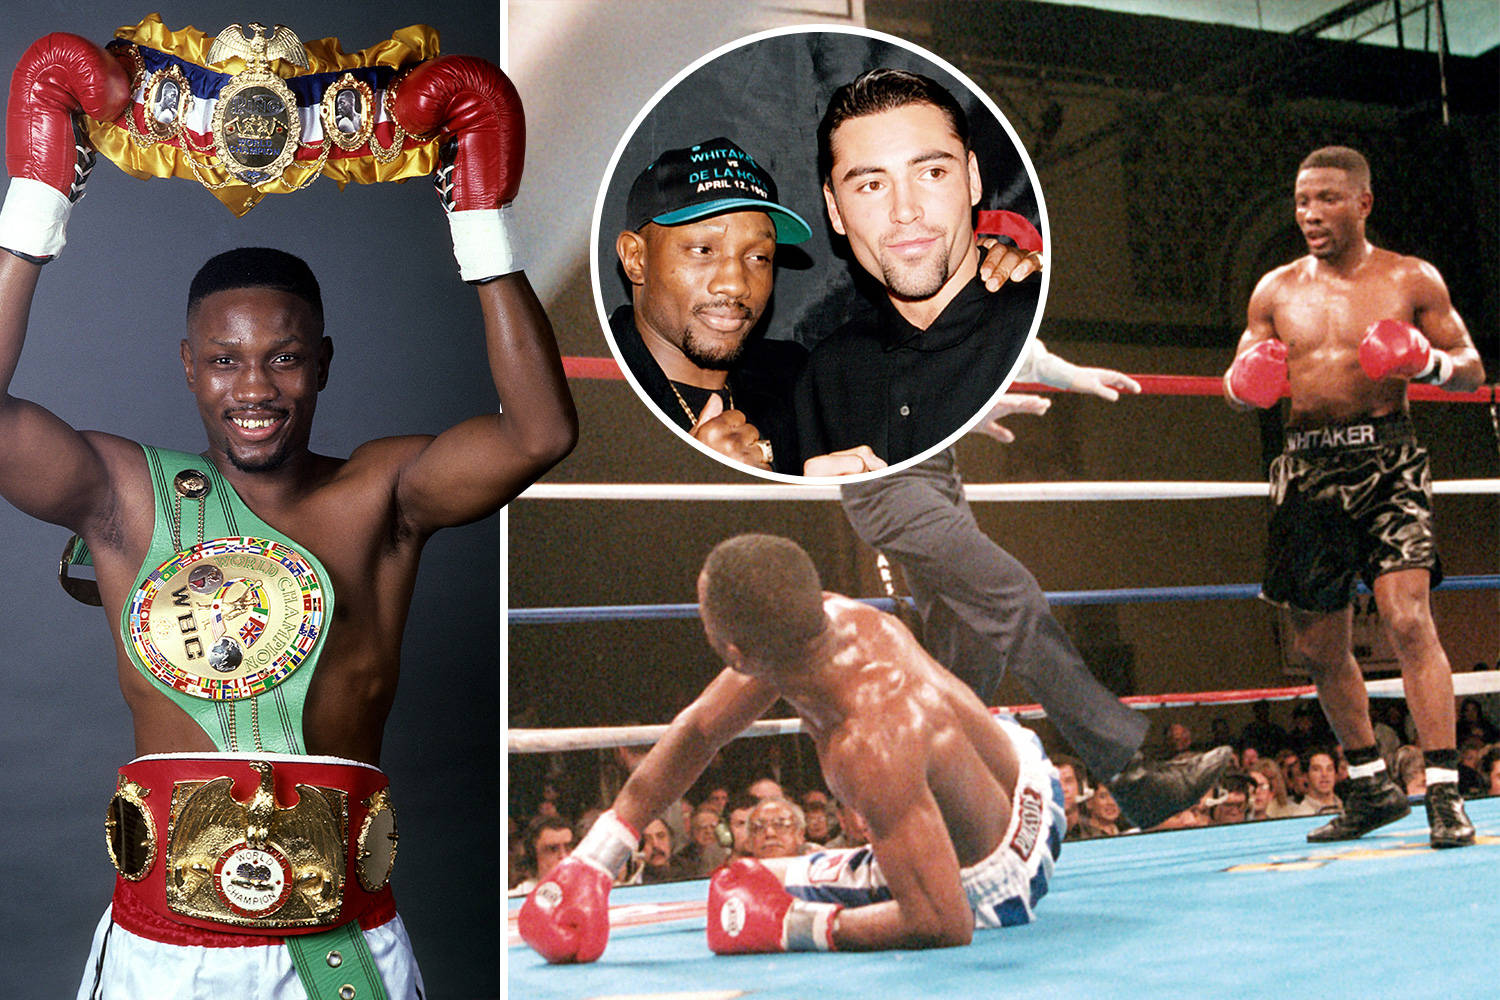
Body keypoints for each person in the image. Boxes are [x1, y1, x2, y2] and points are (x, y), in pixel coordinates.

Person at [0, 37, 574, 998]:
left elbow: (540, 433)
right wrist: (36, 202)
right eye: (225, 360)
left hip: (338, 954)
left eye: (284, 358)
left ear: (324, 363)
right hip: (160, 954)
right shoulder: (124, 495)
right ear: (189, 365)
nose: (254, 387)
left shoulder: (383, 496)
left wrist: (479, 216)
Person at [520, 534, 1064, 959]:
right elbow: (700, 731)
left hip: (997, 877)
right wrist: (597, 857)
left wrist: (789, 927)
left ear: (735, 651)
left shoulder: (869, 745)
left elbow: (944, 924)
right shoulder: (820, 622)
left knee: (744, 888)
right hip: (1030, 771)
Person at [1222, 145, 1485, 848]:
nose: (1311, 214)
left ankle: (1442, 790)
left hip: (1388, 460)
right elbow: (1238, 380)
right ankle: (1368, 784)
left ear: (1362, 202)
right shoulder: (1274, 290)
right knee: (1316, 642)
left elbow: (1472, 368)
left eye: (1327, 200)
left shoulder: (1409, 277)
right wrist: (1243, 384)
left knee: (1407, 619)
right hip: (1305, 469)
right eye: (1303, 201)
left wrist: (1425, 362)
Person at [793, 68, 1041, 470]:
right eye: (872, 184)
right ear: (835, 210)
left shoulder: (1034, 326)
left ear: (973, 179)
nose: (905, 210)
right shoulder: (827, 375)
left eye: (932, 173)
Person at [608, 136, 812, 473]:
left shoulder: (798, 383)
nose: (735, 283)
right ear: (636, 259)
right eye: (703, 250)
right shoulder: (585, 388)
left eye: (759, 256)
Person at [509, 816, 576, 897]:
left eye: (569, 847)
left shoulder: (590, 892)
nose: (564, 856)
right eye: (552, 849)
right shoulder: (514, 901)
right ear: (533, 856)